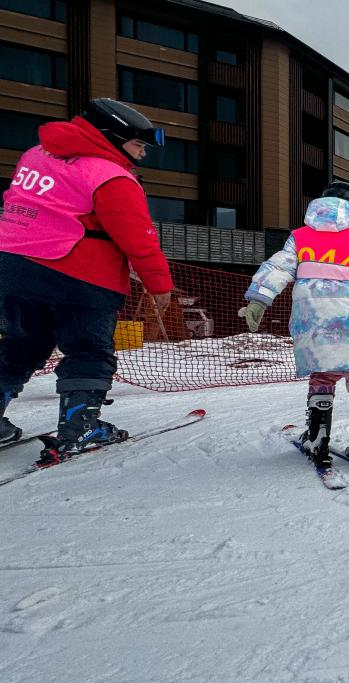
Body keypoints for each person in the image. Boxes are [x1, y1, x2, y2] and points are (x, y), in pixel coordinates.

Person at [0, 98, 173, 461]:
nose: (141, 155)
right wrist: (159, 284)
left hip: (15, 266)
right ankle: (79, 428)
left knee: (21, 345)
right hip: (80, 275)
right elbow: (137, 236)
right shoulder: (109, 175)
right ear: (111, 137)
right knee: (87, 350)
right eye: (138, 145)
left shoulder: (36, 156)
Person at [242, 184, 349, 478]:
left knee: (322, 375)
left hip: (312, 320)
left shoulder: (300, 237)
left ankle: (317, 437)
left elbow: (277, 267)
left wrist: (258, 299)